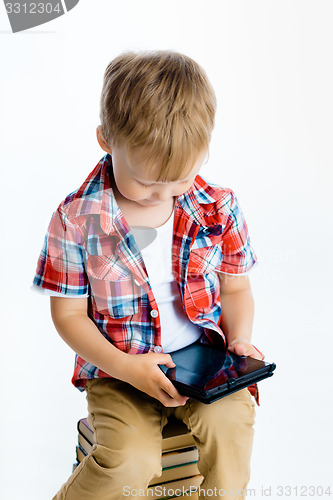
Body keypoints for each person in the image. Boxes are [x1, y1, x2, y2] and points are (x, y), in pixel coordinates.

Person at [32, 50, 264, 500]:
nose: (160, 194)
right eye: (144, 181)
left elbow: (236, 288)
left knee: (234, 428)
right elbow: (68, 316)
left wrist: (240, 340)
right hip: (119, 370)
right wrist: (124, 367)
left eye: (177, 181)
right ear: (106, 139)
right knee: (130, 461)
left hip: (201, 362)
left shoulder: (219, 207)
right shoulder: (77, 218)